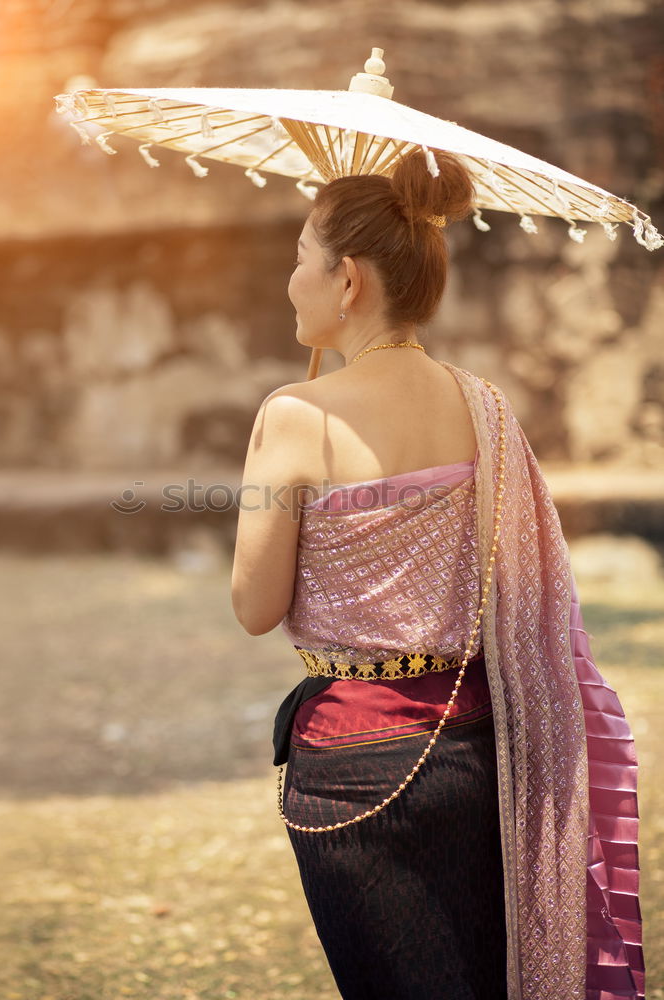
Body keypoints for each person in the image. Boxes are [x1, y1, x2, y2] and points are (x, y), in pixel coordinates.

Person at [231, 147, 644, 1000]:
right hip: (477, 749)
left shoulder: (294, 412)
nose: (289, 281)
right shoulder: (482, 404)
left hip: (356, 765)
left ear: (346, 280)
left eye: (301, 259)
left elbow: (254, 605)